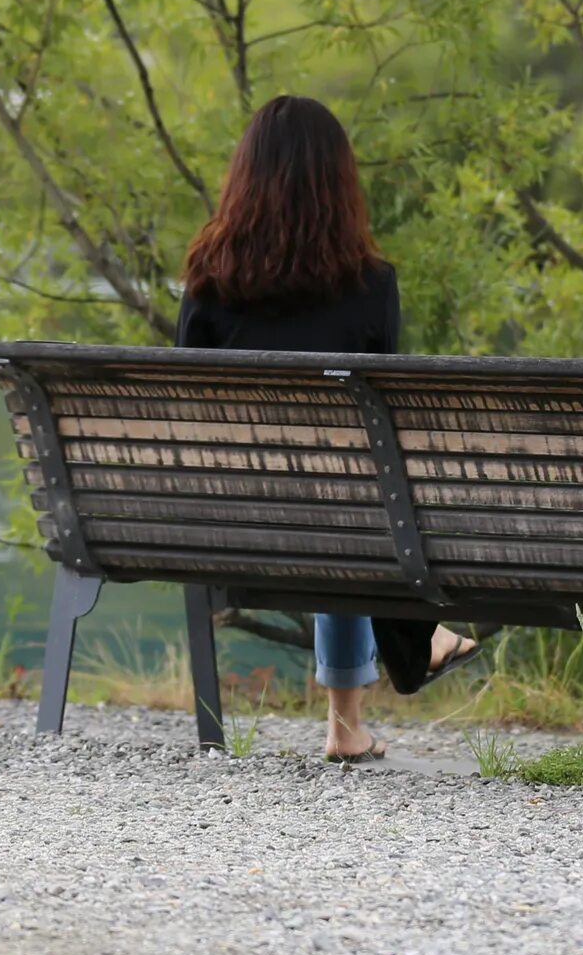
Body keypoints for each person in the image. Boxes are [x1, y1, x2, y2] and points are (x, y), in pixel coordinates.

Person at [174, 95, 475, 762]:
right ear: (340, 184)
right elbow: (382, 426)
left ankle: (358, 718)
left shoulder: (207, 283)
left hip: (223, 520)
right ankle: (412, 650)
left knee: (341, 495)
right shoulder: (370, 286)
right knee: (353, 491)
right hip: (341, 521)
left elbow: (188, 411)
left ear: (243, 177)